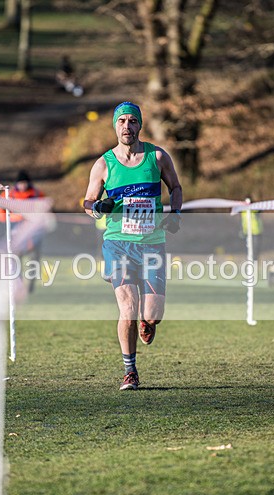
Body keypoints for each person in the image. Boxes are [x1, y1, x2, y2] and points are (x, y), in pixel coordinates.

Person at [83, 101, 183, 391]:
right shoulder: (104, 163)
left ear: (140, 125)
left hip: (152, 244)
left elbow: (175, 187)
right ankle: (130, 371)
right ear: (115, 126)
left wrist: (175, 213)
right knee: (127, 308)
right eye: (122, 121)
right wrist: (98, 206)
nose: (127, 126)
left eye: (133, 121)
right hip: (118, 244)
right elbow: (87, 202)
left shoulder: (158, 157)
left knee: (152, 315)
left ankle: (147, 321)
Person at [0, 170, 46, 292]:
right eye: (20, 183)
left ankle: (31, 287)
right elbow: (1, 216)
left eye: (24, 183)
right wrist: (19, 216)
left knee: (34, 259)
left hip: (34, 233)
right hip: (16, 233)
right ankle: (18, 285)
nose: (22, 186)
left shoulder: (37, 194)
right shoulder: (8, 195)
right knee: (15, 259)